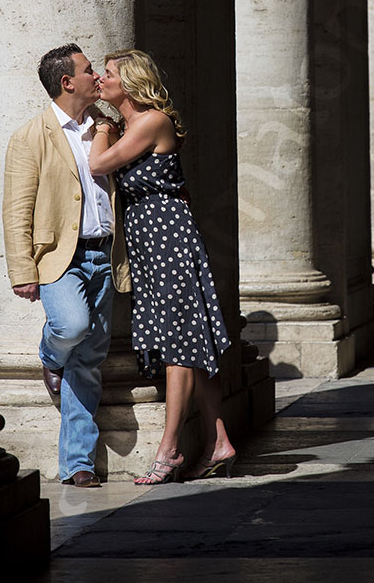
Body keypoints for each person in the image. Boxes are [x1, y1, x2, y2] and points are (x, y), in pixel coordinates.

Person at [89, 49, 235, 484]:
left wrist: (101, 128)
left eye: (109, 73)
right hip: (150, 239)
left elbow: (99, 165)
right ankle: (219, 440)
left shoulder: (151, 120)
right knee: (193, 340)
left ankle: (168, 451)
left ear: (131, 82)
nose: (101, 79)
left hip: (166, 235)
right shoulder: (132, 125)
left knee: (178, 344)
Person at [2, 44, 131, 488]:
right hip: (58, 257)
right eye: (89, 70)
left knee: (90, 360)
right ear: (67, 82)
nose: (97, 76)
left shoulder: (104, 128)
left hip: (104, 253)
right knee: (70, 327)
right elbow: (16, 208)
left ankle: (78, 463)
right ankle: (47, 354)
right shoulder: (30, 136)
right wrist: (22, 270)